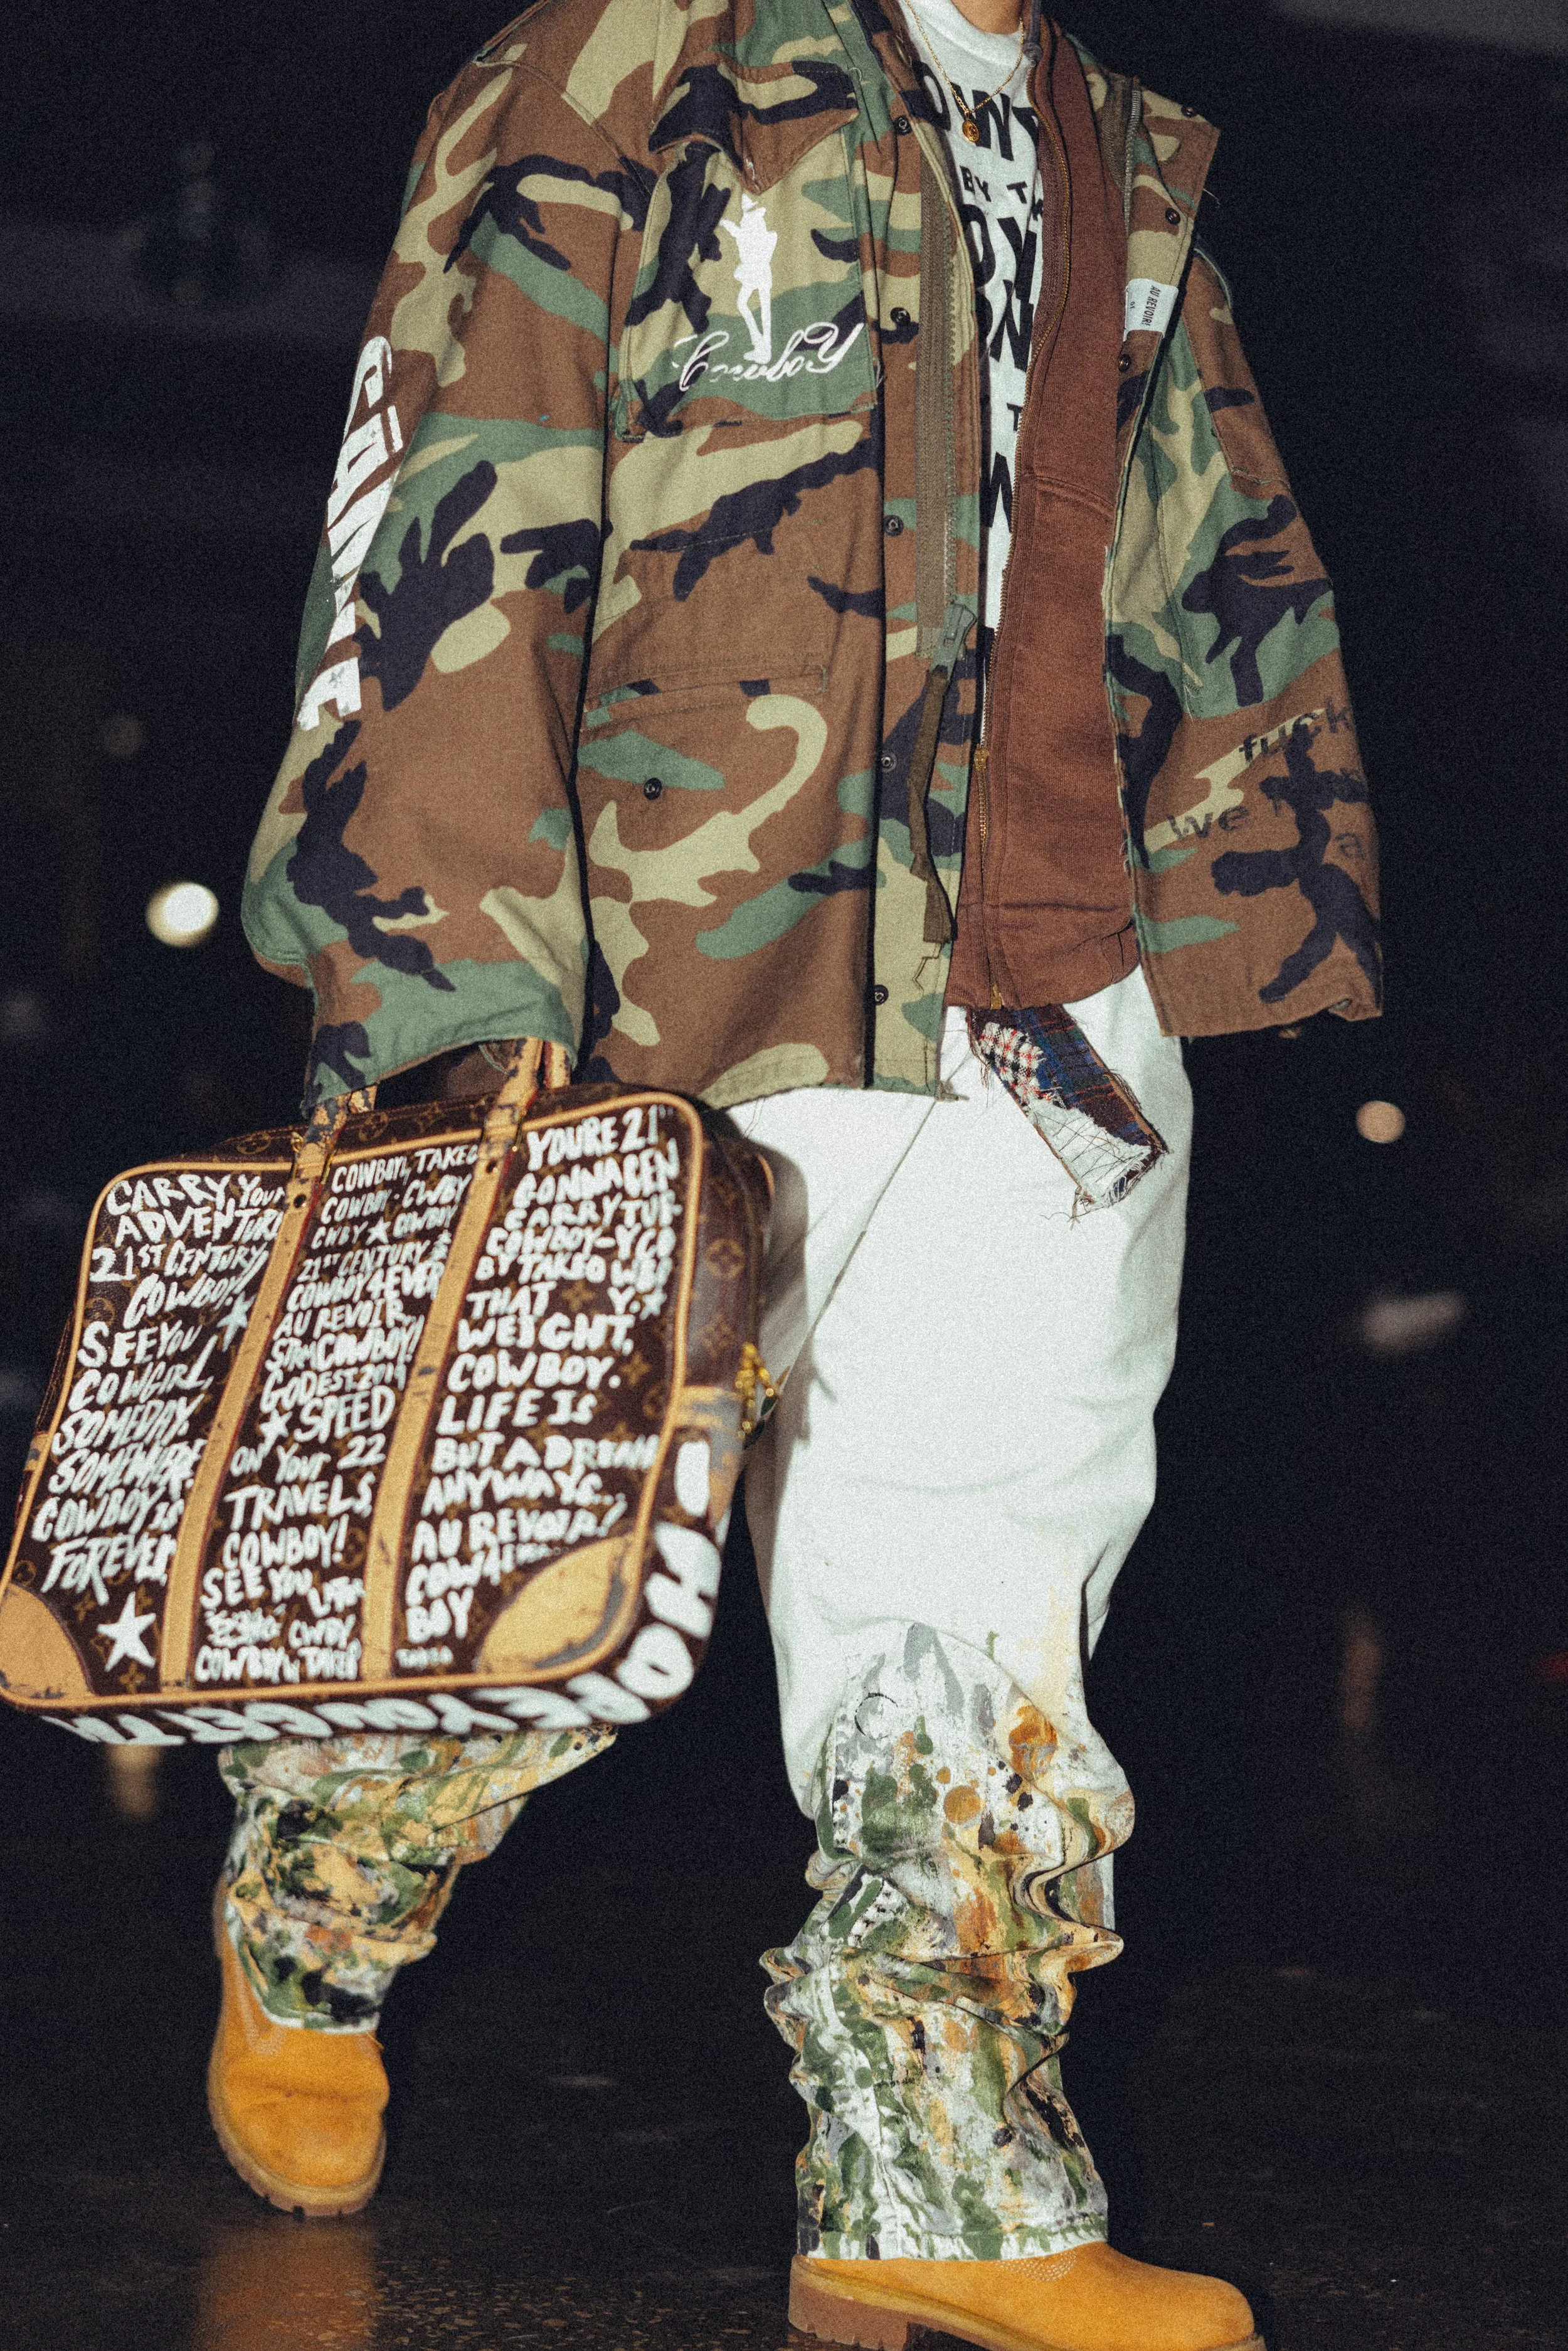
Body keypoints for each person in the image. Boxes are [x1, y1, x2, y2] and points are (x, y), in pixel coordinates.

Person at [216, 2, 1380, 2345]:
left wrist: (1256, 883)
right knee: (535, 1543)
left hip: (1058, 980)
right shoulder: (631, 59)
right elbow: (456, 478)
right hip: (686, 957)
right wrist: (446, 982)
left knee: (989, 1576)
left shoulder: (1129, 140)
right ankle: (312, 1914)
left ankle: (937, 2184)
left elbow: (1208, 544)